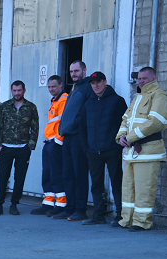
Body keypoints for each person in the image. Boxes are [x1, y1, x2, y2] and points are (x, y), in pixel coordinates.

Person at [116, 66, 167, 231]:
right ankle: (127, 219)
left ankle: (142, 222)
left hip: (149, 151)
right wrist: (120, 138)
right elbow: (125, 120)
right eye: (139, 78)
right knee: (128, 189)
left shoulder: (160, 96)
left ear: (153, 78)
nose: (141, 81)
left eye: (144, 78)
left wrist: (130, 137)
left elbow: (155, 123)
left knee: (144, 189)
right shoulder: (138, 98)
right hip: (132, 151)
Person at [79, 71, 127, 225]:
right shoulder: (88, 104)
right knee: (96, 184)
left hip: (112, 150)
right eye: (93, 83)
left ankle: (120, 216)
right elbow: (83, 128)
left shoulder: (117, 101)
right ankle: (98, 215)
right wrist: (86, 148)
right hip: (93, 152)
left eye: (98, 82)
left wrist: (117, 147)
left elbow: (124, 125)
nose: (96, 86)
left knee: (117, 183)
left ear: (105, 82)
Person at [0, 80, 39, 216]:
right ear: (11, 91)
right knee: (2, 176)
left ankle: (14, 204)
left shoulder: (31, 107)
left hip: (23, 148)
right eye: (14, 90)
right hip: (6, 147)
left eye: (19, 90)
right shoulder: (4, 107)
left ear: (24, 91)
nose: (17, 93)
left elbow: (35, 128)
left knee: (20, 177)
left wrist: (30, 146)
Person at [55, 60, 93, 221]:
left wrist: (75, 124)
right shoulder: (74, 88)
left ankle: (80, 209)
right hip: (68, 137)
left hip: (78, 137)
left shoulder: (88, 87)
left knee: (79, 174)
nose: (74, 74)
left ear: (84, 71)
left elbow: (87, 112)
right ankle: (69, 208)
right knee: (68, 174)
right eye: (71, 72)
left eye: (76, 71)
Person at [30, 75, 68, 215]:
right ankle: (48, 203)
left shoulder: (64, 99)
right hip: (49, 142)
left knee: (56, 173)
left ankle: (60, 205)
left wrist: (58, 140)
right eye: (49, 87)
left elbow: (65, 122)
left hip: (56, 143)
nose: (51, 89)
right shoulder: (55, 101)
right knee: (47, 173)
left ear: (61, 85)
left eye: (54, 86)